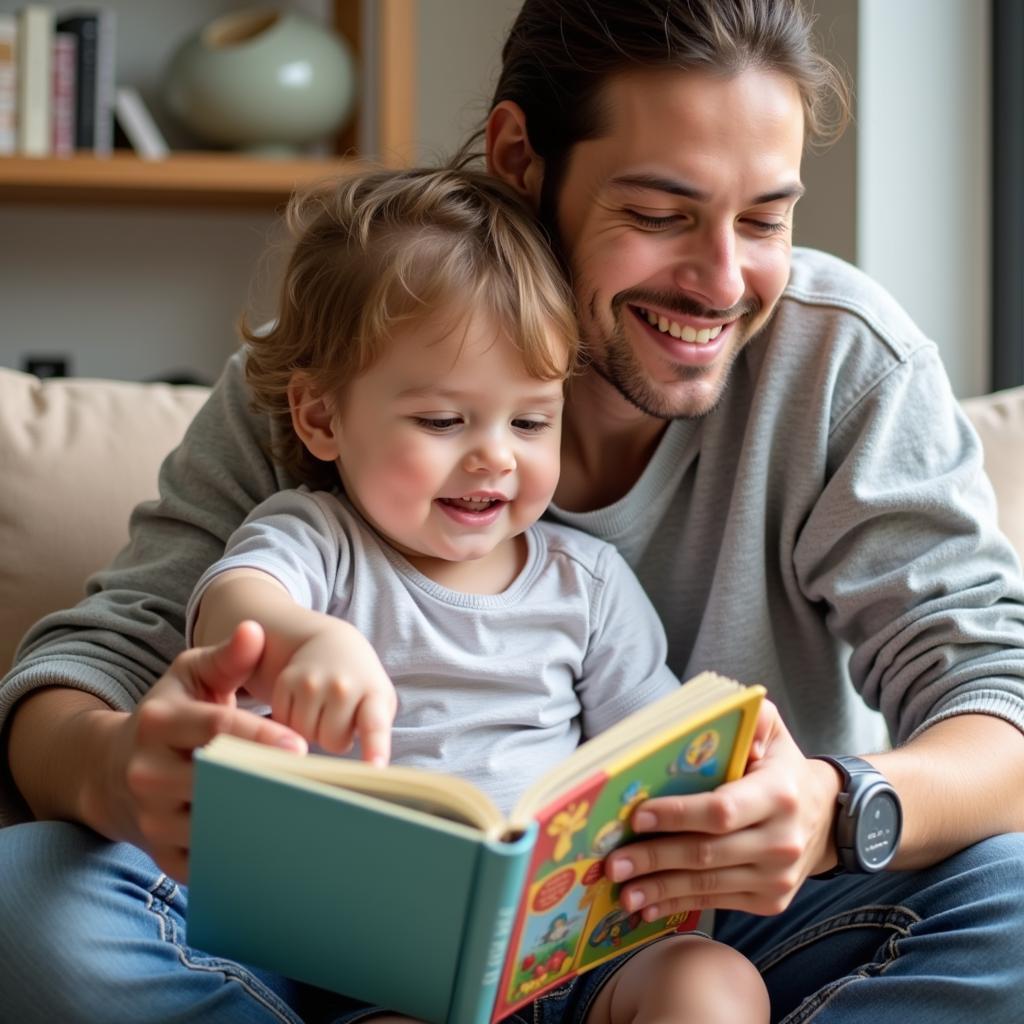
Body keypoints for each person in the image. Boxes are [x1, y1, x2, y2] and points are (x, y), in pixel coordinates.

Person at [2, 0, 1023, 1021]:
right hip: (333, 926)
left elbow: (996, 695)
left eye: (763, 218)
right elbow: (88, 671)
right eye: (660, 214)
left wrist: (835, 810)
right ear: (519, 156)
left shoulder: (841, 363)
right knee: (27, 898)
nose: (722, 282)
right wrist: (110, 771)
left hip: (683, 912)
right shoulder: (346, 360)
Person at [184, 165, 769, 1023]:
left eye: (531, 421)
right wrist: (304, 639)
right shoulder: (319, 541)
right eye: (442, 421)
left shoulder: (587, 585)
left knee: (712, 984)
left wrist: (723, 770)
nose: (496, 456)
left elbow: (657, 749)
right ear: (320, 418)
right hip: (385, 968)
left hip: (579, 950)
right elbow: (231, 603)